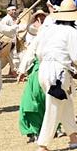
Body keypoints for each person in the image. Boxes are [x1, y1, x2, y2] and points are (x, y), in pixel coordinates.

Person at [33, 0, 77, 151]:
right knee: (54, 106)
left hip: (45, 69)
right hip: (58, 73)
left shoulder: (48, 30)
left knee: (66, 104)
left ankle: (73, 137)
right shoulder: (71, 32)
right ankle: (43, 145)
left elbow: (38, 52)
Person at [17, 12, 48, 144]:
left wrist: (22, 70)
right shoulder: (35, 33)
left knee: (33, 101)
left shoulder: (41, 36)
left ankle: (37, 129)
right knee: (45, 100)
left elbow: (30, 53)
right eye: (38, 18)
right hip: (47, 70)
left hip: (40, 69)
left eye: (43, 18)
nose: (40, 20)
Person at [0, 4, 19, 77]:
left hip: (13, 41)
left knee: (8, 59)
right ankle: (14, 72)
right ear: (8, 11)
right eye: (12, 10)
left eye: (15, 10)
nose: (14, 11)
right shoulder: (6, 19)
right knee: (12, 58)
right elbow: (4, 30)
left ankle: (12, 72)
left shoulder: (13, 19)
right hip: (7, 41)